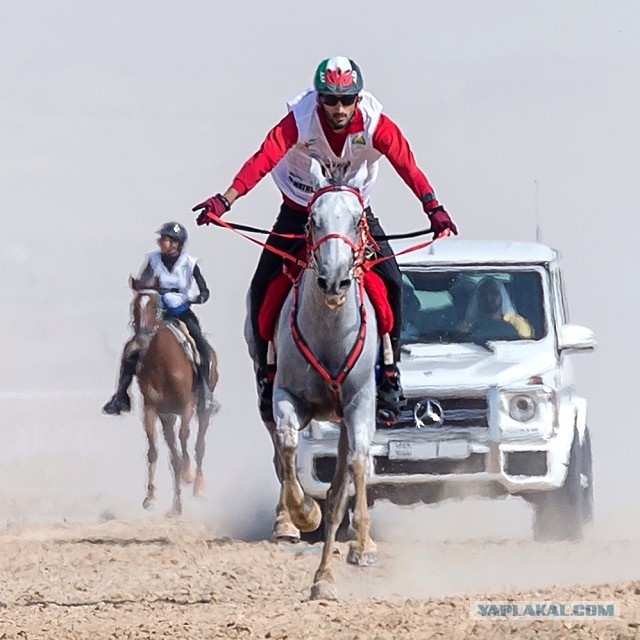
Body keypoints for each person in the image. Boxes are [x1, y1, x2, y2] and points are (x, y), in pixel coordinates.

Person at [192, 56, 458, 424]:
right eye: (330, 100)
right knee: (260, 288)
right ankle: (268, 375)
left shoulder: (375, 123)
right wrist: (226, 199)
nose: (339, 108)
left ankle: (390, 375)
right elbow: (264, 158)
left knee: (393, 282)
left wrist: (434, 209)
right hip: (301, 207)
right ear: (318, 100)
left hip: (351, 212)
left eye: (346, 99)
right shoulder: (299, 120)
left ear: (357, 98)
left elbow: (407, 165)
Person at [102, 222, 213, 415]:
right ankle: (120, 396)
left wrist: (200, 297)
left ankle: (205, 394)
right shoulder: (152, 260)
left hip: (181, 311)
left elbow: (204, 289)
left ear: (177, 243)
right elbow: (144, 283)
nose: (161, 242)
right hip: (157, 313)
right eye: (161, 239)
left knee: (201, 345)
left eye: (166, 239)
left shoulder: (189, 263)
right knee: (131, 349)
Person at [459, 277, 533, 339]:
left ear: (502, 297)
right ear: (478, 298)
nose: (489, 297)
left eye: (494, 293)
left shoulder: (518, 324)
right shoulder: (466, 326)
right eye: (484, 294)